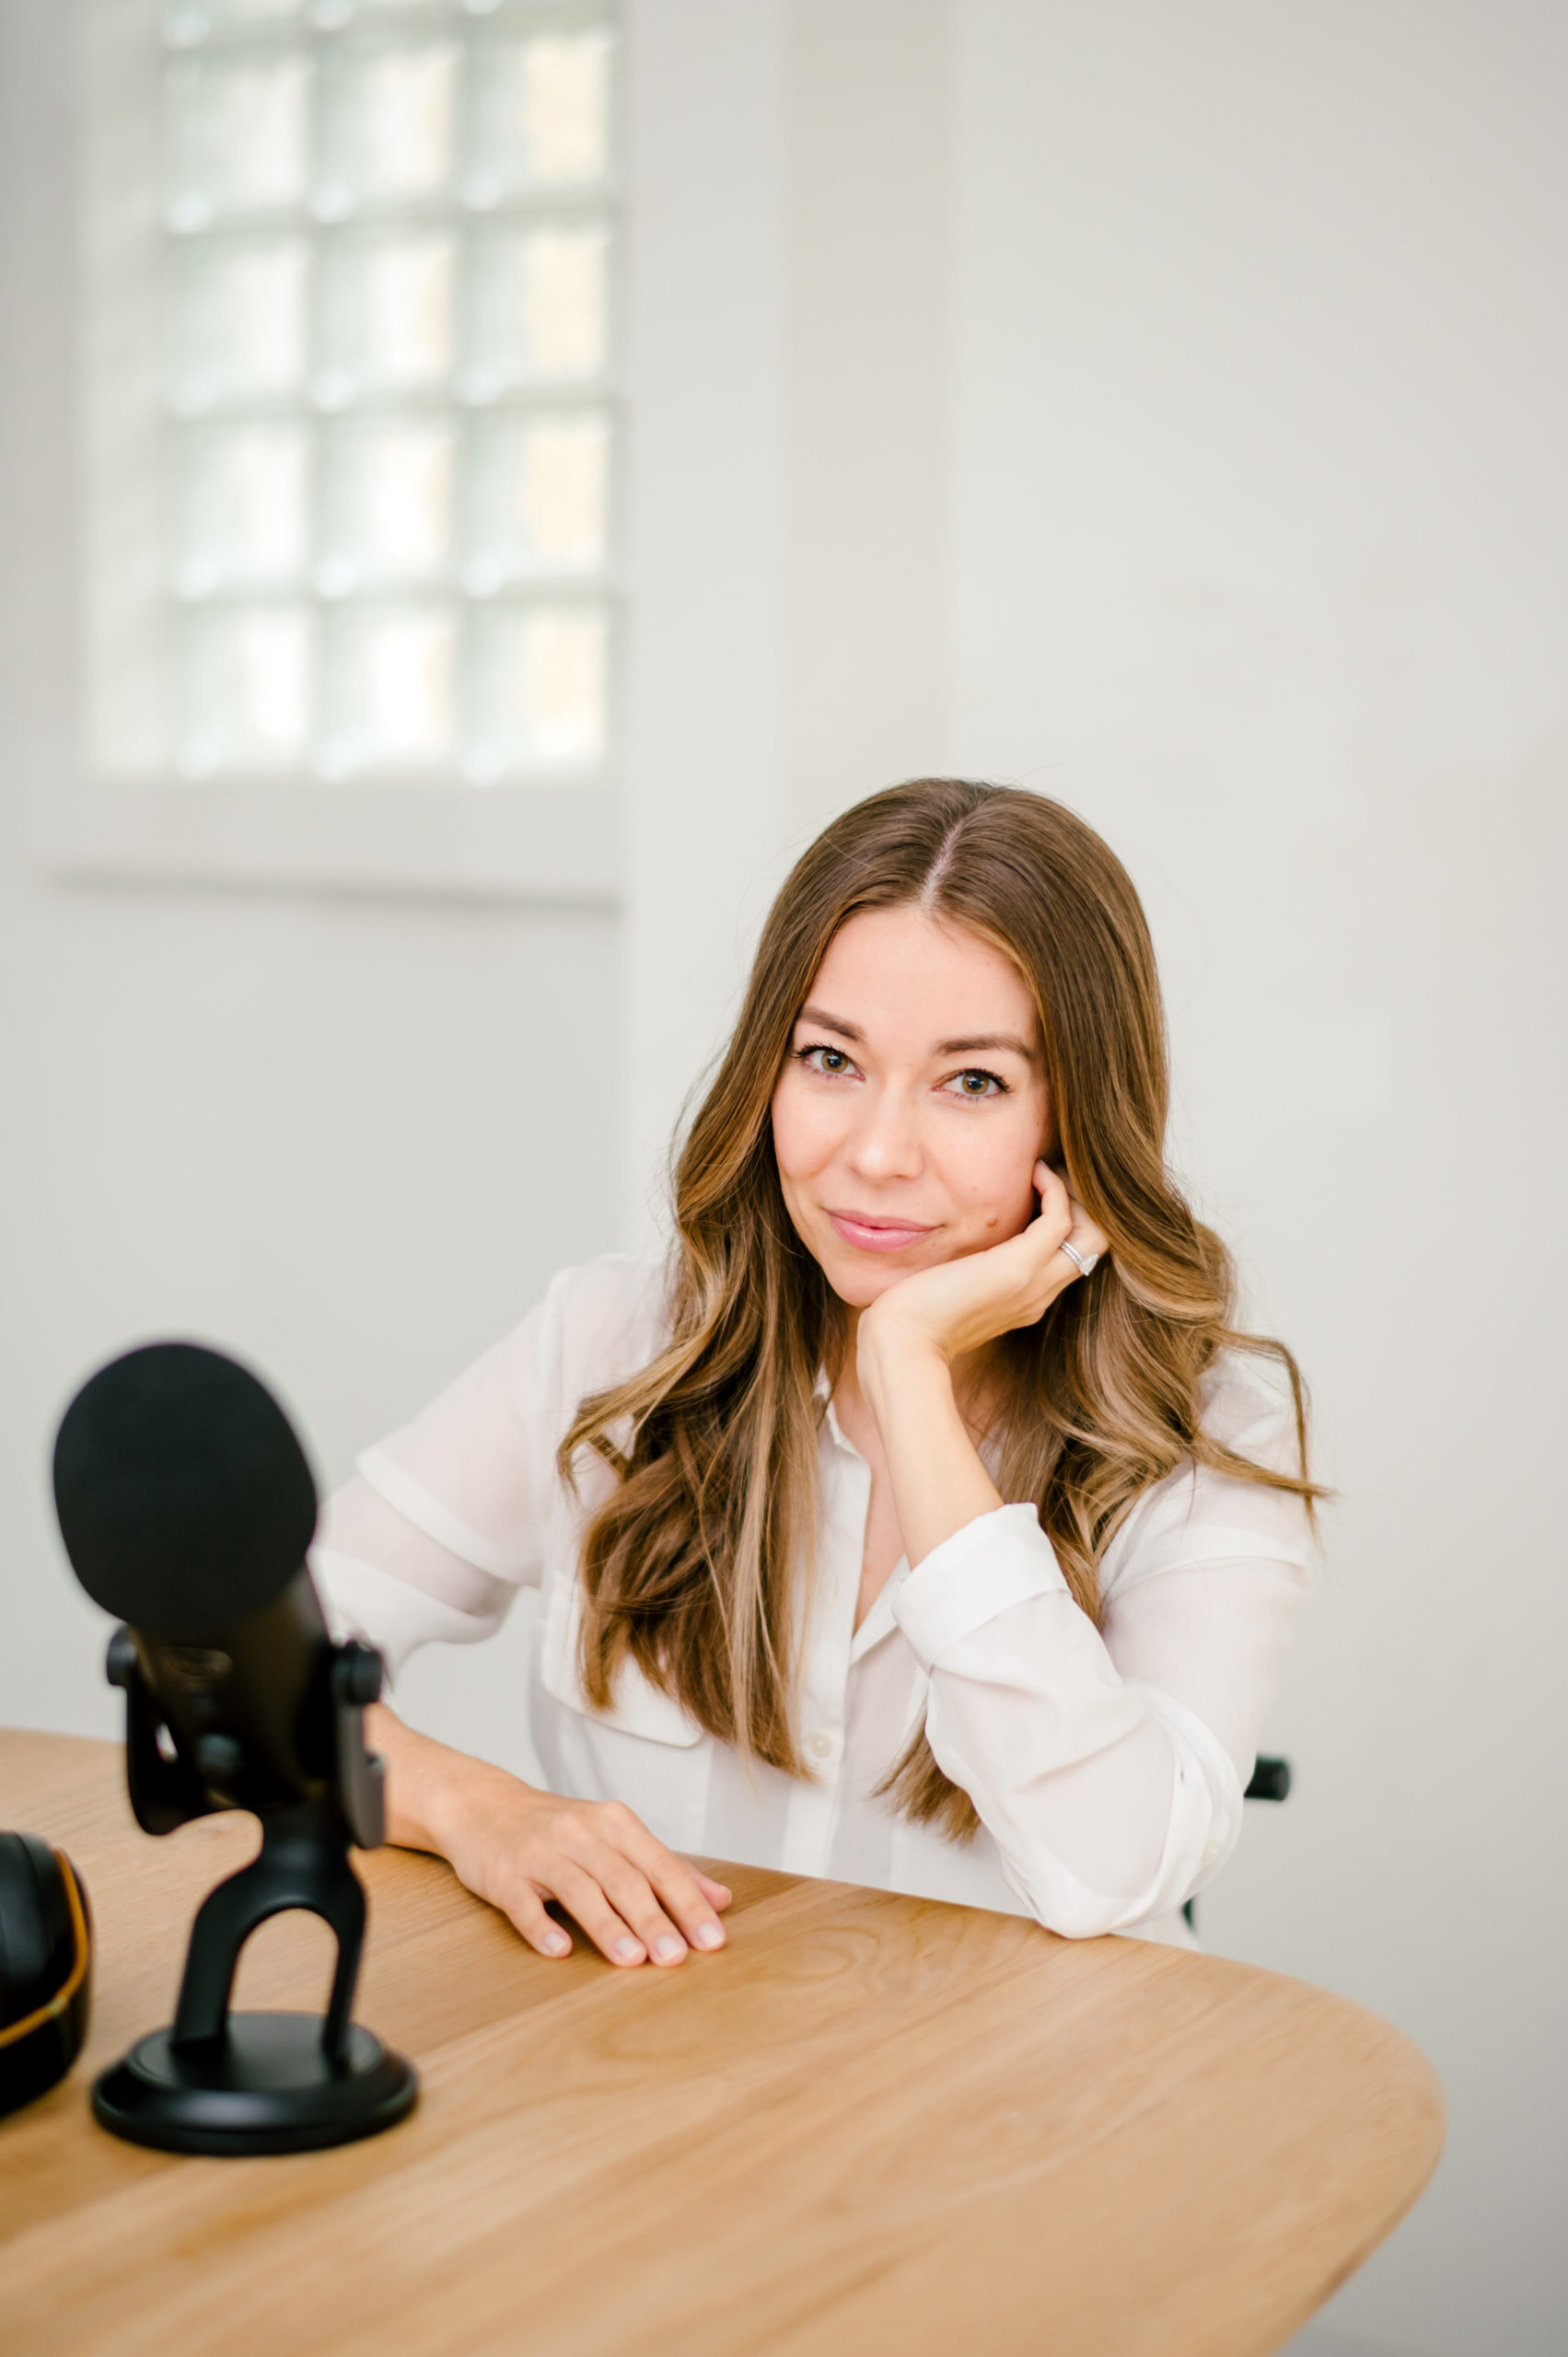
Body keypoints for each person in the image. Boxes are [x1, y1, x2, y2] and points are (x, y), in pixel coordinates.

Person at [315, 779, 1319, 1970]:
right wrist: (471, 1810)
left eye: (973, 1082)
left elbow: (1108, 1869)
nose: (876, 1155)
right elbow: (229, 1665)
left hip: (1024, 2131)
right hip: (660, 2099)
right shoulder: (615, 1344)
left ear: (1077, 1122)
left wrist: (909, 1373)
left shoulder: (1206, 1429)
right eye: (831, 1059)